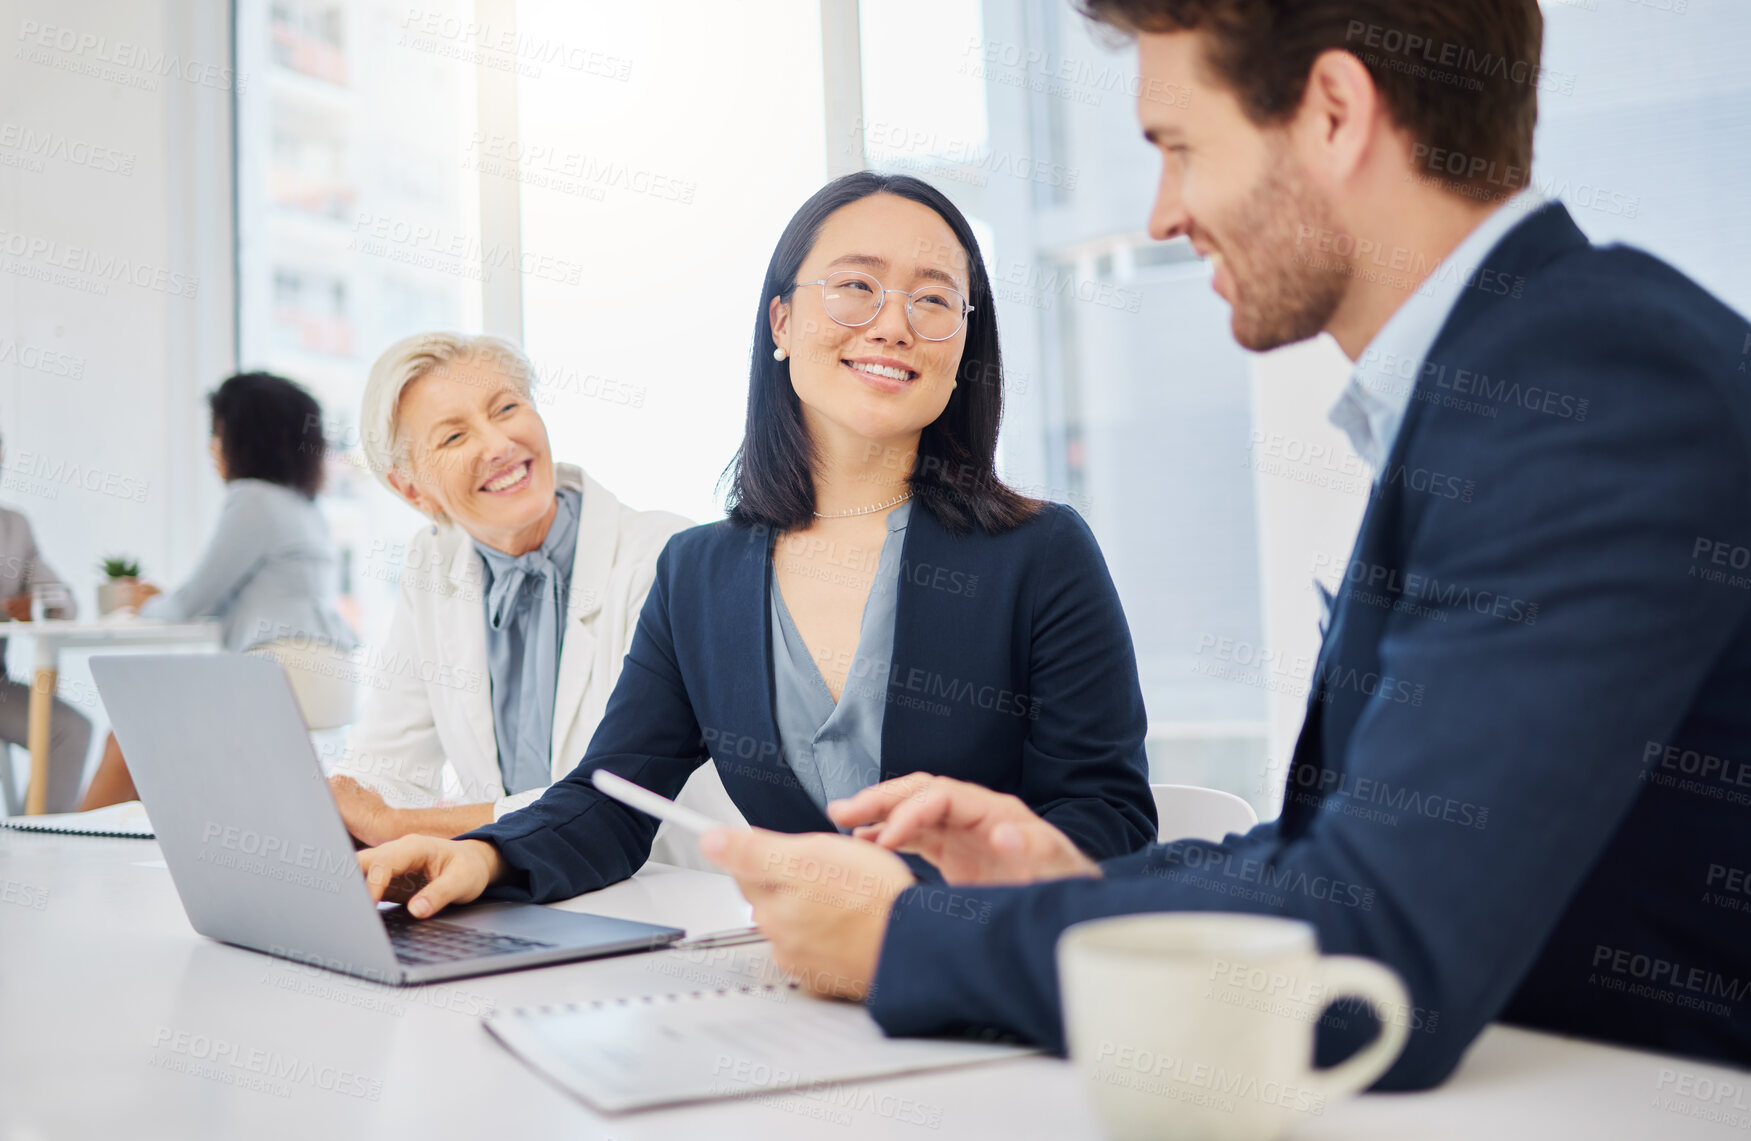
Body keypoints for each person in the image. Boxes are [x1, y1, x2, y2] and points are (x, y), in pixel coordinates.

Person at [692, 0, 1751, 1092]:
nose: (1162, 215)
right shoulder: (1515, 372)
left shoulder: (1585, 389)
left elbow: (1371, 958)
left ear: (1333, 111)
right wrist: (1062, 887)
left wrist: (908, 937)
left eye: (1178, 148)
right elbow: (1339, 867)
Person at [352, 173, 1159, 908]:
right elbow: (609, 800)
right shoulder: (700, 574)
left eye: (934, 299)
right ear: (781, 319)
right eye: (855, 287)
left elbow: (1107, 820)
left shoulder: (1041, 554)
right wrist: (486, 856)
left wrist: (903, 893)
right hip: (788, 1000)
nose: (892, 324)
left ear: (961, 348)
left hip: (983, 1004)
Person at [324, 332, 734, 861]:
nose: (497, 445)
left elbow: (609, 799)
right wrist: (339, 812)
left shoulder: (666, 559)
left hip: (673, 895)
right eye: (453, 438)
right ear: (412, 491)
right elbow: (386, 767)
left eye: (508, 408)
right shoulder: (432, 567)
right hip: (515, 896)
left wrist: (396, 824)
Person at [81, 373, 358, 809]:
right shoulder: (305, 508)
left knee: (127, 738)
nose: (211, 447)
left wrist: (145, 603)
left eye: (218, 433)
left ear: (245, 438)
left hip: (279, 675)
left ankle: (60, 846)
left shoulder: (251, 500)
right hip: (331, 676)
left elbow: (191, 601)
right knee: (156, 751)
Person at [0, 430, 91, 814]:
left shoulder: (13, 527)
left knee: (70, 729)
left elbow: (64, 601)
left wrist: (37, 603)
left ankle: (34, 845)